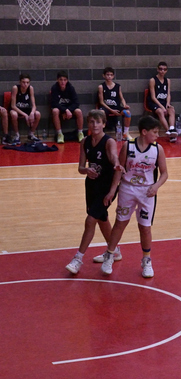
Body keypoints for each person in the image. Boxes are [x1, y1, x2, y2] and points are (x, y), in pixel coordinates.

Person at [99, 115, 168, 278]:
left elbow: (165, 173)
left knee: (145, 227)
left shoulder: (158, 149)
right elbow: (119, 170)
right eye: (154, 132)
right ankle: (110, 255)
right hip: (127, 189)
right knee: (120, 223)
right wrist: (112, 190)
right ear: (144, 132)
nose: (157, 135)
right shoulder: (128, 146)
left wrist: (156, 186)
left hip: (147, 191)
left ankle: (146, 260)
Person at [65, 110, 124, 275]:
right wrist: (86, 170)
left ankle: (78, 258)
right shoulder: (85, 141)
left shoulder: (109, 141)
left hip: (107, 186)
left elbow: (113, 157)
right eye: (91, 122)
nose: (95, 125)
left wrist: (116, 164)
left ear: (104, 124)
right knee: (101, 219)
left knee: (90, 220)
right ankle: (115, 251)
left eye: (98, 122)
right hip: (91, 185)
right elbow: (80, 167)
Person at [97, 66, 133, 142]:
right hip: (106, 107)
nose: (109, 76)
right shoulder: (101, 86)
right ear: (104, 76)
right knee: (101, 112)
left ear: (113, 76)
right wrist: (111, 110)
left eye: (111, 75)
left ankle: (126, 133)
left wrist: (124, 105)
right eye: (107, 75)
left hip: (116, 107)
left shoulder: (117, 86)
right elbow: (101, 102)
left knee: (127, 113)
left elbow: (122, 98)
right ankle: (100, 133)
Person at [147, 61, 178, 142]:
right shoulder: (153, 80)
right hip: (154, 102)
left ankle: (172, 129)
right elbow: (153, 97)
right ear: (157, 69)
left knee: (171, 110)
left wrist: (167, 104)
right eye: (160, 69)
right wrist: (162, 107)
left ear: (166, 71)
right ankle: (169, 132)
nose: (162, 71)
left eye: (164, 69)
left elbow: (168, 94)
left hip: (164, 102)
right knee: (160, 111)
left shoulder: (167, 80)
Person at [50, 71, 84, 144]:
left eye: (64, 80)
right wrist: (65, 110)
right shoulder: (54, 88)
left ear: (67, 80)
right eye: (61, 80)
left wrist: (69, 110)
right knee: (55, 111)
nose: (63, 82)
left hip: (70, 109)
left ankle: (80, 133)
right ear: (57, 80)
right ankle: (59, 134)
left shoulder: (71, 88)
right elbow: (54, 103)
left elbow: (76, 103)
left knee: (79, 111)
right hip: (61, 109)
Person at [9, 74, 41, 144]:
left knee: (37, 114)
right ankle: (17, 135)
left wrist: (32, 113)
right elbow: (13, 106)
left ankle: (31, 134)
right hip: (16, 109)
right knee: (14, 114)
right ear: (20, 82)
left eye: (27, 82)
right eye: (23, 82)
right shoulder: (15, 88)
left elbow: (34, 105)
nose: (25, 84)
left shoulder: (30, 88)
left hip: (26, 109)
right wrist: (25, 115)